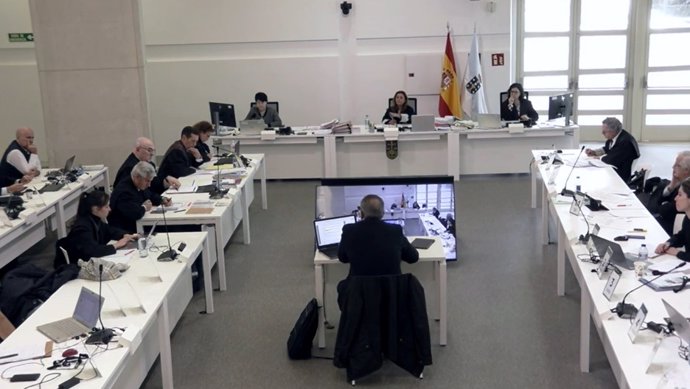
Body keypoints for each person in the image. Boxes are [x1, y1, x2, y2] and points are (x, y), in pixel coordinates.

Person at [337, 194, 419, 308]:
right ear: (382, 213)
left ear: (361, 213)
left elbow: (342, 258)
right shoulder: (395, 231)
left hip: (358, 294)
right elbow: (413, 258)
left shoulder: (349, 230)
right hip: (391, 295)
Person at [65, 190, 137, 261]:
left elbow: (109, 230)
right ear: (95, 209)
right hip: (82, 266)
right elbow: (93, 251)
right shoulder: (82, 228)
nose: (110, 209)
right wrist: (116, 245)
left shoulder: (94, 219)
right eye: (106, 207)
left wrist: (124, 235)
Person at [109, 161, 170, 232]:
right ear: (137, 177)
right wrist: (144, 207)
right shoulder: (124, 192)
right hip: (125, 230)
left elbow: (150, 195)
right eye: (147, 181)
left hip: (137, 224)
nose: (149, 185)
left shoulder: (138, 184)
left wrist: (162, 199)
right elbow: (135, 213)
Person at [113, 137, 181, 194]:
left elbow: (154, 183)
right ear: (137, 149)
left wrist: (166, 181)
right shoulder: (130, 168)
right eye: (149, 150)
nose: (152, 154)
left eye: (153, 151)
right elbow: (141, 191)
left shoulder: (148, 164)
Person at [649, 151, 690, 234]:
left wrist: (662, 205)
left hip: (671, 228)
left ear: (687, 170)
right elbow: (658, 201)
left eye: (677, 165)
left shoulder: (687, 188)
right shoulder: (679, 182)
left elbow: (665, 211)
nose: (673, 167)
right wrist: (671, 186)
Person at [655, 178, 690, 262]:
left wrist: (677, 253)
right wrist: (668, 244)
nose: (675, 198)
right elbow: (682, 236)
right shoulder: (687, 217)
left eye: (680, 195)